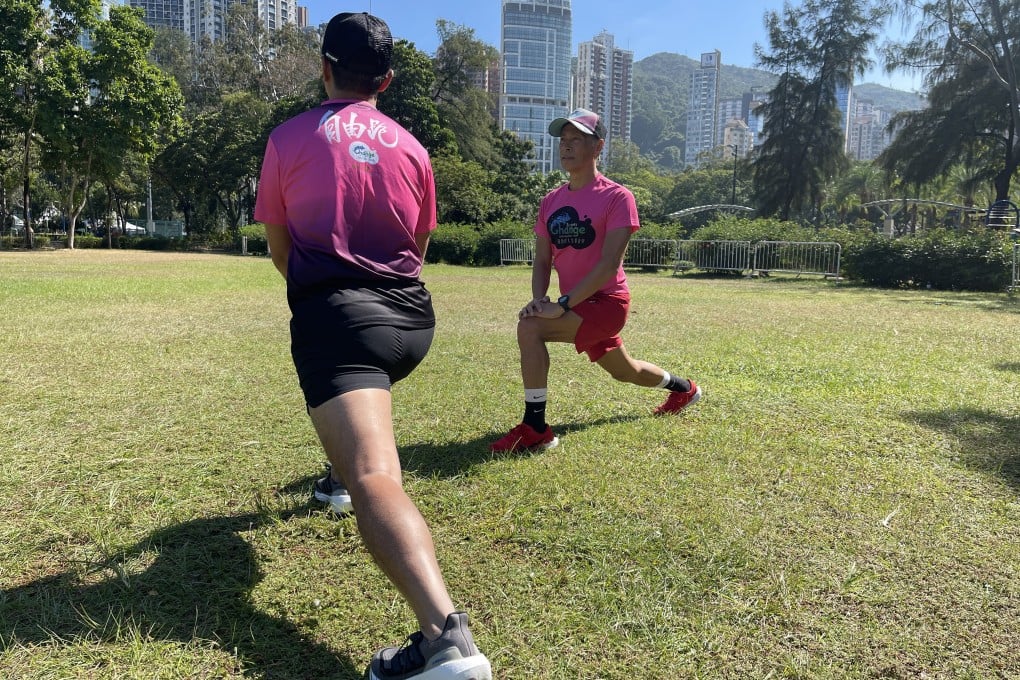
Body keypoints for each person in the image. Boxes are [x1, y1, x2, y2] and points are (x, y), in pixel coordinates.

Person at [254, 12, 491, 680]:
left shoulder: (290, 137)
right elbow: (416, 248)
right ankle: (334, 475)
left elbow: (280, 247)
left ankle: (446, 639)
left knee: (376, 476)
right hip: (413, 323)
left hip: (342, 318)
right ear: (385, 79)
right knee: (361, 430)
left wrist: (328, 304)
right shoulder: (413, 147)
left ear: (323, 67)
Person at [490, 108, 701, 453]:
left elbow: (607, 265)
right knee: (626, 371)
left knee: (530, 328)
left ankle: (536, 428)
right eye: (563, 141)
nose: (566, 147)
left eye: (576, 140)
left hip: (606, 303)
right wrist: (540, 299)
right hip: (574, 303)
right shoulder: (551, 201)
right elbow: (542, 260)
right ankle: (684, 389)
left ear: (598, 147)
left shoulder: (618, 197)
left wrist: (561, 305)